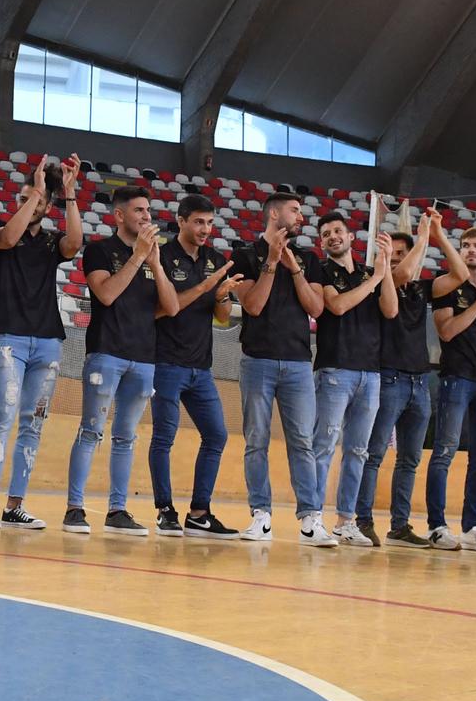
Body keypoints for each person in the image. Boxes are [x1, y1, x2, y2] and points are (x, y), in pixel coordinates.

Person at [63, 185, 178, 535]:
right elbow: (108, 294)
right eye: (140, 210)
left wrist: (155, 264)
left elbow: (171, 307)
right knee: (91, 430)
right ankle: (75, 508)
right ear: (119, 216)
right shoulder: (99, 251)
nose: (147, 216)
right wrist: (138, 256)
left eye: (148, 211)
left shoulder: (152, 255)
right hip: (106, 353)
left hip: (144, 358)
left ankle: (117, 511)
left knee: (126, 437)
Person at [0, 153, 82, 531]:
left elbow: (75, 244)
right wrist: (35, 193)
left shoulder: (53, 241)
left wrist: (67, 194)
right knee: (2, 417)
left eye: (36, 200)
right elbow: (6, 240)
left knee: (33, 423)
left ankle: (15, 505)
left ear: (48, 206)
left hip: (48, 343)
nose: (29, 204)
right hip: (10, 340)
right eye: (22, 199)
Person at [354, 211, 469, 547]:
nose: (400, 259)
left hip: (420, 382)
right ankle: (362, 520)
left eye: (406, 254)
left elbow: (460, 274)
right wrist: (421, 240)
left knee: (410, 459)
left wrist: (439, 235)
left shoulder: (421, 288)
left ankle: (400, 525)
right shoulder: (376, 281)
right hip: (388, 378)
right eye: (394, 253)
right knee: (374, 453)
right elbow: (401, 272)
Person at [231, 191, 335, 546]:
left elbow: (316, 309)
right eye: (294, 210)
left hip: (298, 364)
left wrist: (294, 269)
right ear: (274, 214)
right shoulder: (244, 255)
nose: (301, 216)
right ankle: (261, 516)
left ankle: (310, 519)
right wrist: (272, 262)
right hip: (257, 360)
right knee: (256, 441)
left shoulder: (308, 258)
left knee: (303, 443)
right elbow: (254, 306)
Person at [149, 194, 243, 538]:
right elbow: (162, 308)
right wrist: (205, 286)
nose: (205, 229)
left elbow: (221, 317)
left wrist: (221, 297)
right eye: (199, 222)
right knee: (164, 437)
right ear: (181, 220)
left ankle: (200, 513)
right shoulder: (161, 256)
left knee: (216, 434)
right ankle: (164, 510)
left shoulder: (215, 260)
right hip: (165, 361)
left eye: (210, 222)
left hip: (201, 367)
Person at [310, 215, 395, 545]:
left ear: (350, 236)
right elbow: (338, 305)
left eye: (337, 231)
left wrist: (384, 269)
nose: (333, 237)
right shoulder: (321, 270)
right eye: (326, 234)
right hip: (335, 369)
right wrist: (374, 280)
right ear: (321, 242)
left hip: (370, 373)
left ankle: (346, 521)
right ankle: (313, 517)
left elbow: (389, 310)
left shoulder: (367, 272)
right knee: (324, 446)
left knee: (358, 450)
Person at [427, 226, 476, 551]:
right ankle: (437, 526)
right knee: (444, 450)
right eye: (465, 246)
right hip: (457, 376)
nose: (471, 250)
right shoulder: (446, 285)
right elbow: (447, 332)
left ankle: (472, 527)